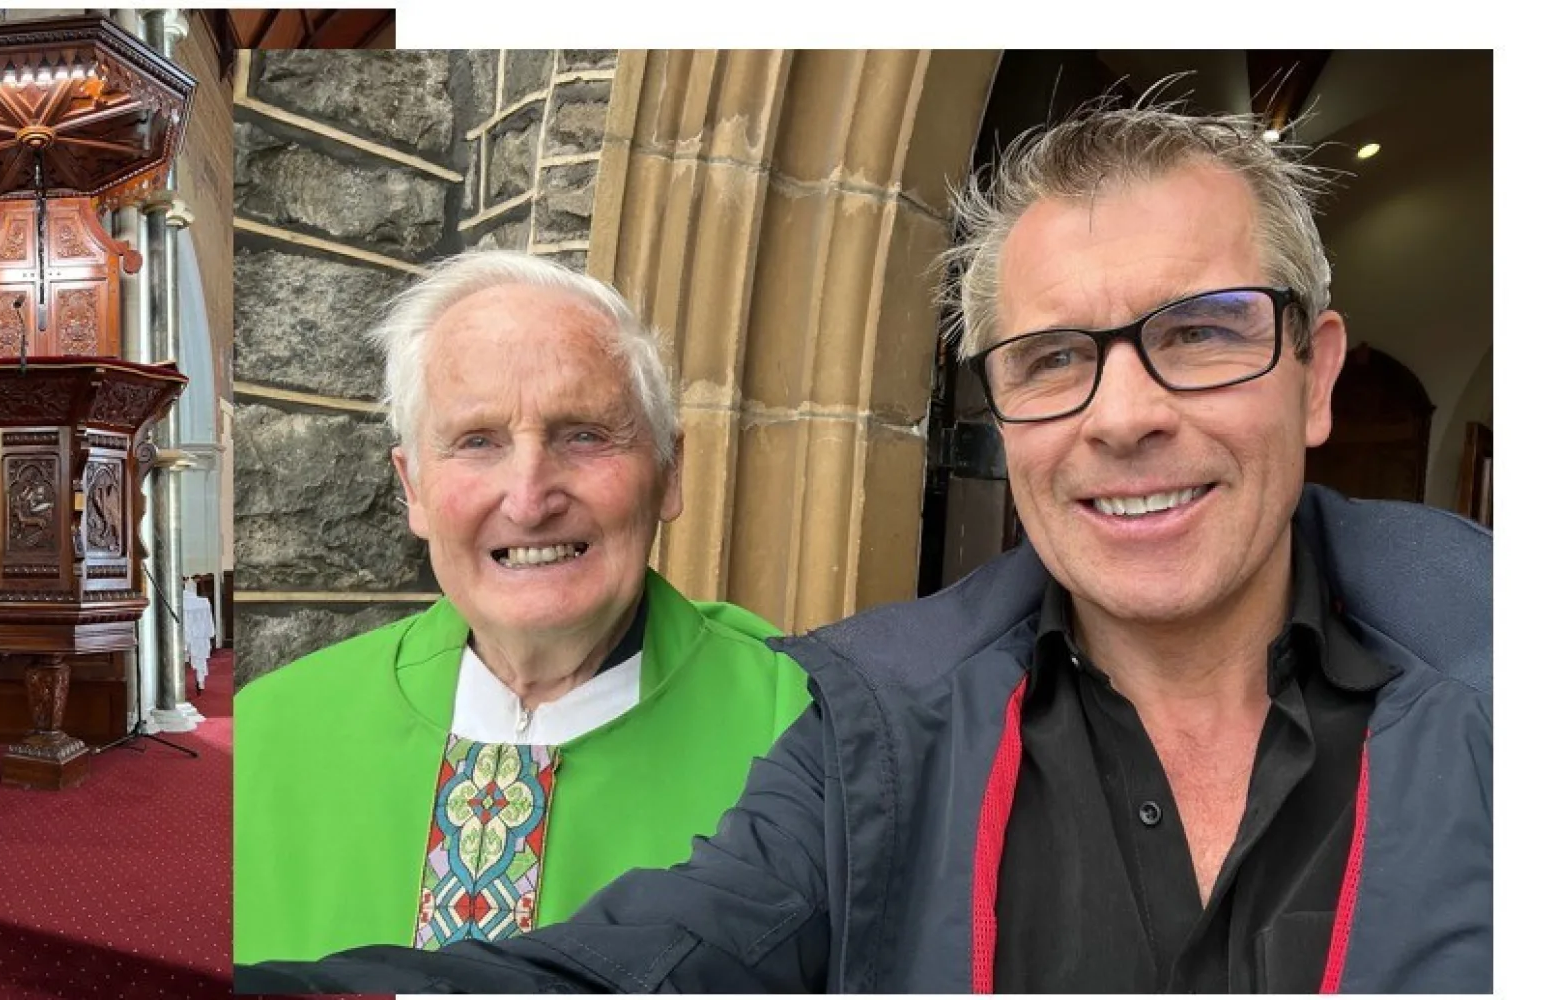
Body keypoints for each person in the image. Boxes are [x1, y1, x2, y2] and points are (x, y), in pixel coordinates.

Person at [235, 105, 1492, 993]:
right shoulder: (871, 728)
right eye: (1052, 357)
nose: (1122, 415)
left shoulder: (1508, 684)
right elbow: (635, 970)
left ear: (1315, 376)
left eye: (1205, 334)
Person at [232, 250, 811, 964]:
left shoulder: (808, 735)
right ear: (412, 489)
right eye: (478, 442)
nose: (531, 498)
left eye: (585, 435)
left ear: (669, 471)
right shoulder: (266, 740)